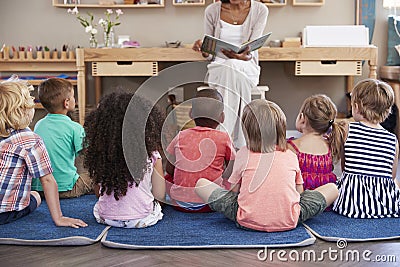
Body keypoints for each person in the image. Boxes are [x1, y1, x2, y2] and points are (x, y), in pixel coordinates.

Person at [195, 99, 338, 232]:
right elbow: (299, 194)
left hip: (245, 219)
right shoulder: (290, 155)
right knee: (332, 188)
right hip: (290, 219)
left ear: (247, 131)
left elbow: (234, 191)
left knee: (201, 184)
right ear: (281, 129)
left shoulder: (243, 154)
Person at [0, 78, 87, 228]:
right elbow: (47, 180)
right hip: (5, 213)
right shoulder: (31, 140)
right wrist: (59, 218)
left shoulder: (38, 126)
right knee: (34, 197)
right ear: (24, 110)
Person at [192, 0, 269, 149]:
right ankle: (243, 143)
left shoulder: (260, 10)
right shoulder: (212, 11)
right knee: (230, 66)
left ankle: (221, 138)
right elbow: (210, 53)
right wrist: (203, 49)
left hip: (247, 68)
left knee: (232, 65)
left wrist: (240, 57)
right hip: (218, 68)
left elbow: (251, 50)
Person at [84, 92, 166, 228]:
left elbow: (99, 193)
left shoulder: (102, 156)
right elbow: (160, 196)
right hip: (142, 219)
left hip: (106, 218)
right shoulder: (152, 156)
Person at [333, 79, 400, 218]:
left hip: (352, 203)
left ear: (356, 107)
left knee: (334, 183)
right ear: (387, 111)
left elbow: (345, 167)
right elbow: (391, 176)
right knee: (396, 183)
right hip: (384, 205)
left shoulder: (348, 129)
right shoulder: (393, 139)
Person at [165, 89, 236, 212]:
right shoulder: (224, 138)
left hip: (179, 203)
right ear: (222, 117)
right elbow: (232, 172)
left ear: (191, 114)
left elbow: (169, 170)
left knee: (166, 178)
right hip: (210, 203)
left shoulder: (180, 135)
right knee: (232, 180)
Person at [31, 78, 92, 198]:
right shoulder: (75, 128)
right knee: (93, 174)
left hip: (41, 188)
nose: (75, 99)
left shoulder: (38, 125)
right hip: (67, 189)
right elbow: (89, 154)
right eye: (73, 96)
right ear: (67, 102)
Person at [287, 94, 346, 191]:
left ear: (302, 118)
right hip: (326, 202)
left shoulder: (290, 147)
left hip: (300, 202)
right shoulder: (331, 144)